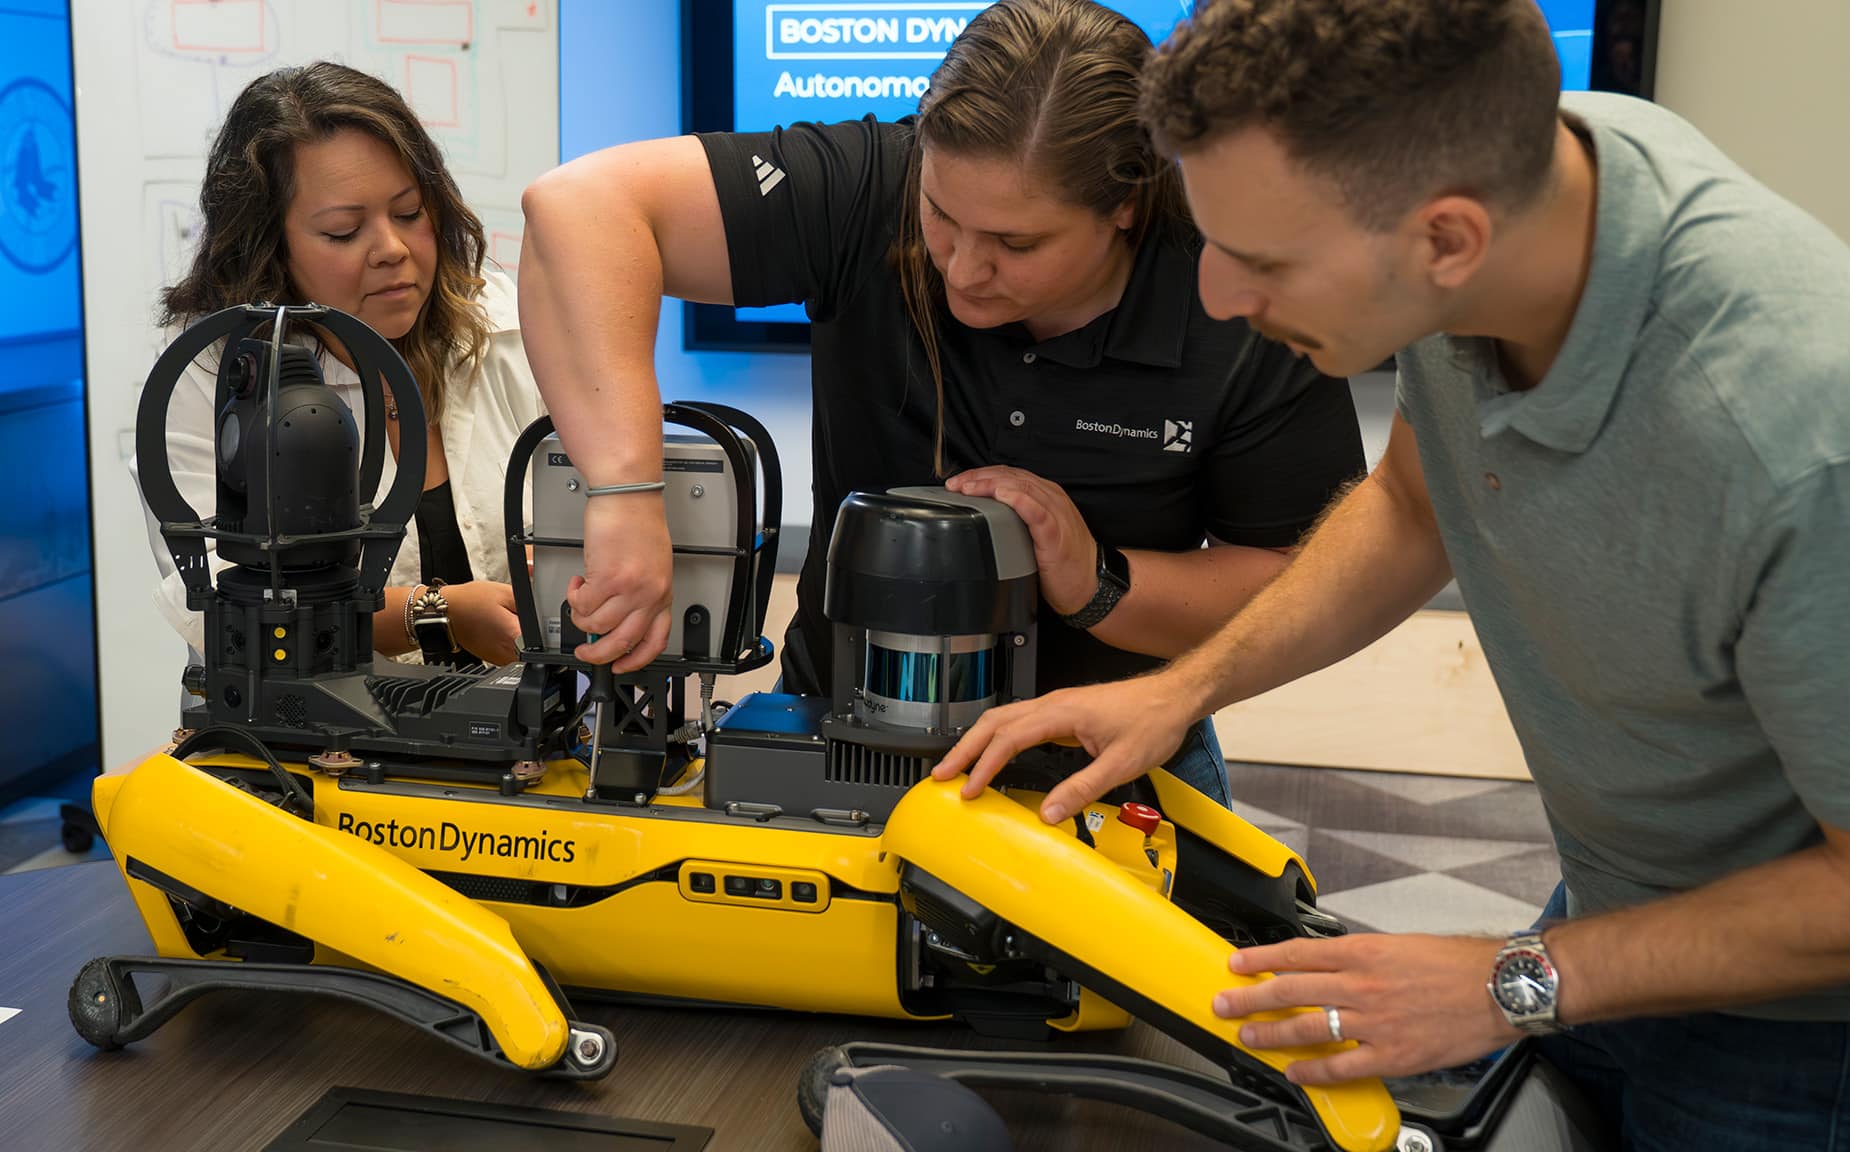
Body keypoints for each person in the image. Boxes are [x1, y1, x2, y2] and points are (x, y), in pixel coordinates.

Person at [932, 1, 1850, 1147]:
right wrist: (1177, 689)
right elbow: (1411, 501)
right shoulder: (1522, 191)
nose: (1214, 295)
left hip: (1800, 1027)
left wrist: (1505, 981)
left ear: (1448, 240)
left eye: (1261, 261)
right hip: (1617, 908)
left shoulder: (1793, 434)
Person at [518, 0, 1364, 805]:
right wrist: (624, 491)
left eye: (1015, 243)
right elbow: (578, 207)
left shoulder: (1235, 289)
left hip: (1107, 760)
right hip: (843, 735)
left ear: (1125, 206)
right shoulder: (868, 182)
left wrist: (1100, 584)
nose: (961, 269)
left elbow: (1306, 576)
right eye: (942, 217)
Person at [140, 62, 545, 667]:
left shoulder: (505, 324)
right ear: (270, 248)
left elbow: (596, 495)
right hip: (304, 744)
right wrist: (436, 615)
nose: (393, 249)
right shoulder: (213, 374)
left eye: (409, 213)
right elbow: (222, 601)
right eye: (343, 231)